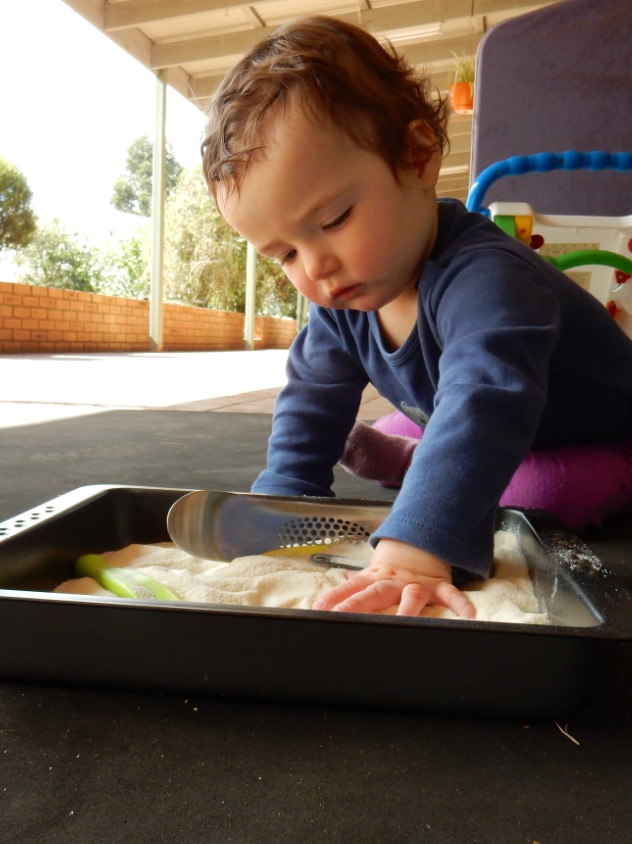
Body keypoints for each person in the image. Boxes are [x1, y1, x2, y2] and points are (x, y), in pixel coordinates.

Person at [201, 15, 632, 619]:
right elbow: (310, 397)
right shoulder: (344, 295)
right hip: (472, 416)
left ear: (419, 155)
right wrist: (285, 500)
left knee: (539, 490)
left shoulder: (490, 279)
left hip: (597, 435)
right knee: (421, 432)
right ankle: (420, 463)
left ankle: (424, 473)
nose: (317, 267)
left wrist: (414, 552)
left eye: (333, 221)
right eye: (286, 254)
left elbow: (485, 400)